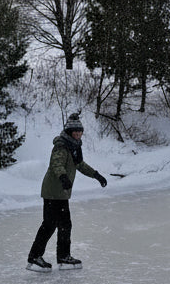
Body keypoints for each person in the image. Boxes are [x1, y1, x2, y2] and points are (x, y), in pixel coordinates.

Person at [26, 113, 108, 272]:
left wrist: (96, 175)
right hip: (53, 192)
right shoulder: (61, 146)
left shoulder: (74, 147)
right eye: (75, 131)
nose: (78, 134)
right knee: (49, 225)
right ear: (69, 132)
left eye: (80, 131)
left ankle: (63, 257)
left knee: (65, 225)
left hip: (61, 193)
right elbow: (56, 163)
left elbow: (80, 165)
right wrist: (63, 177)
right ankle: (34, 257)